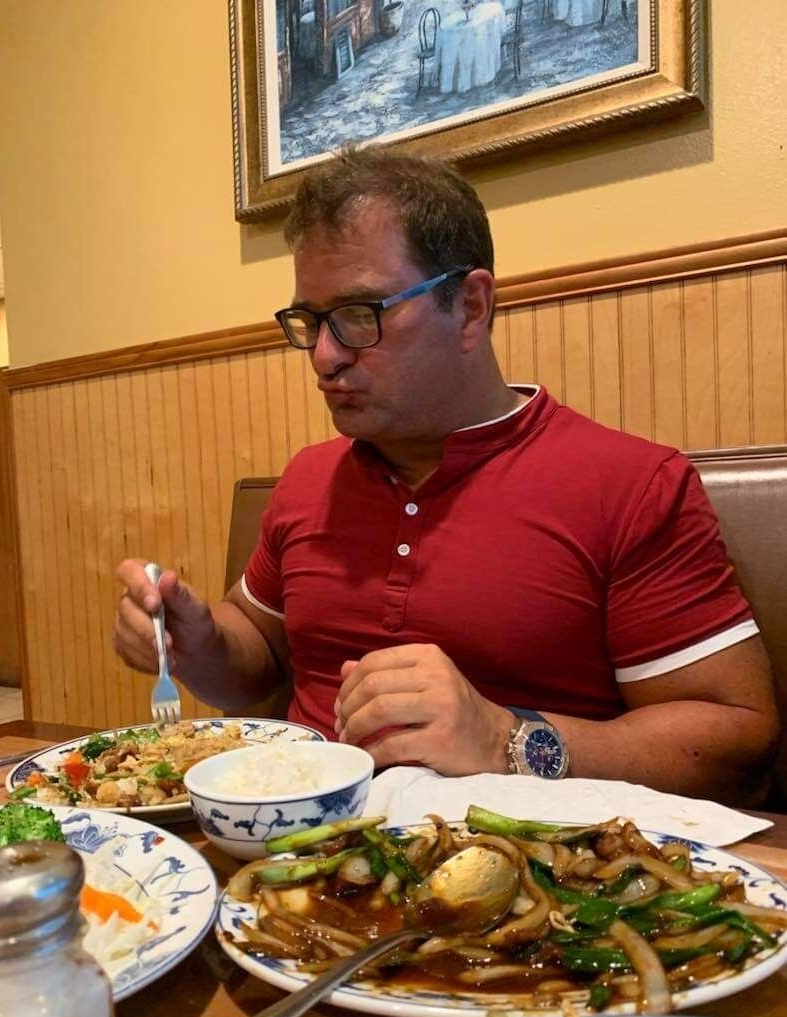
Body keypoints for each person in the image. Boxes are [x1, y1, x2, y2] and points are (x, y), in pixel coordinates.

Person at [113, 147, 779, 806]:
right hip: (289, 849)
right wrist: (197, 644)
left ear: (469, 306)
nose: (324, 356)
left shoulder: (629, 485)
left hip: (519, 859)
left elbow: (738, 744)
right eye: (310, 322)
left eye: (359, 314)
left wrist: (506, 739)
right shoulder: (309, 479)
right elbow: (254, 660)